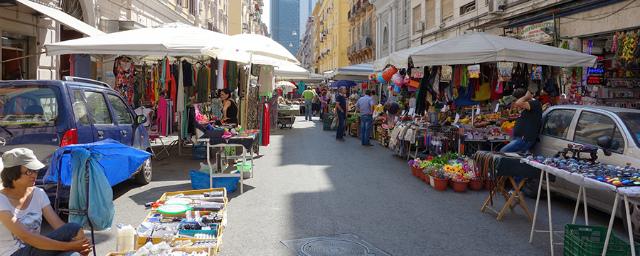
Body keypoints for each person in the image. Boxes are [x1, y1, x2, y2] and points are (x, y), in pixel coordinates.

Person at [0, 148, 92, 256]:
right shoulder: (2, 200)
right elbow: (26, 236)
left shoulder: (38, 193)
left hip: (38, 249)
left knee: (74, 231)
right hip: (14, 253)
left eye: (35, 170)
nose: (34, 175)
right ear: (12, 174)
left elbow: (58, 225)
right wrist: (71, 246)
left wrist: (80, 246)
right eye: (29, 171)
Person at [500, 88, 543, 153]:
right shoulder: (527, 106)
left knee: (503, 152)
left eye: (517, 99)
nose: (515, 102)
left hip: (524, 139)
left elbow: (518, 103)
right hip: (519, 138)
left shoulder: (535, 103)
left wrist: (526, 96)